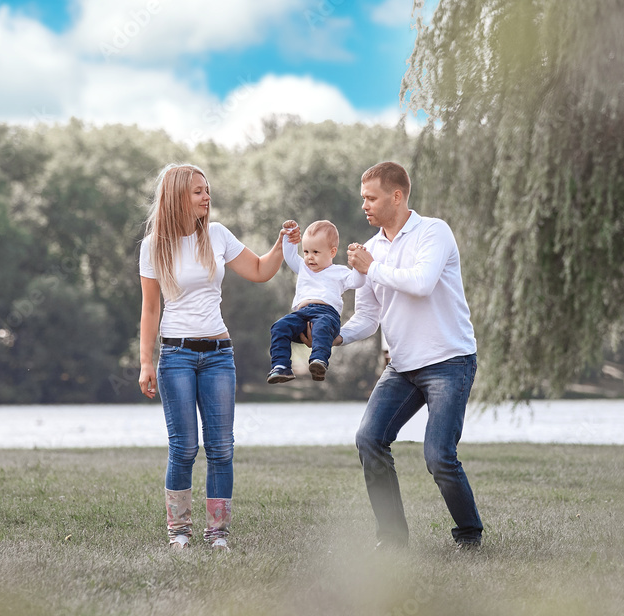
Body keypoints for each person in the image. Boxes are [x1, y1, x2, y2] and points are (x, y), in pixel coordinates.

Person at [138, 163, 299, 550]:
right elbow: (149, 309)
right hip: (175, 355)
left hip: (218, 355)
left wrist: (281, 244)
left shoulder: (217, 235)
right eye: (198, 191)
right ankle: (179, 533)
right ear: (177, 195)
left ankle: (218, 535)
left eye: (207, 190)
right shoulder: (153, 246)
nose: (207, 197)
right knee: (184, 447)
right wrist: (146, 361)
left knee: (222, 447)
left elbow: (260, 270)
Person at [336, 161, 482, 550]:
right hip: (402, 367)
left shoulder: (433, 232)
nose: (364, 205)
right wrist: (337, 336)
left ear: (396, 196)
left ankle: (469, 534)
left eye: (371, 197)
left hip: (449, 361)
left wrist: (373, 267)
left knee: (439, 456)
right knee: (369, 439)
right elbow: (368, 317)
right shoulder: (371, 249)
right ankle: (392, 539)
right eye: (363, 198)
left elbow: (420, 283)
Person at [267, 219, 365, 383]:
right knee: (279, 327)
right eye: (306, 252)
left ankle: (318, 361)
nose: (309, 257)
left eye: (316, 252)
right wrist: (289, 234)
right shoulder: (304, 268)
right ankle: (281, 366)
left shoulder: (339, 272)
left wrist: (358, 264)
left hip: (326, 315)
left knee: (322, 327)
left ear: (332, 252)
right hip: (301, 315)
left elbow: (358, 281)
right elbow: (290, 255)